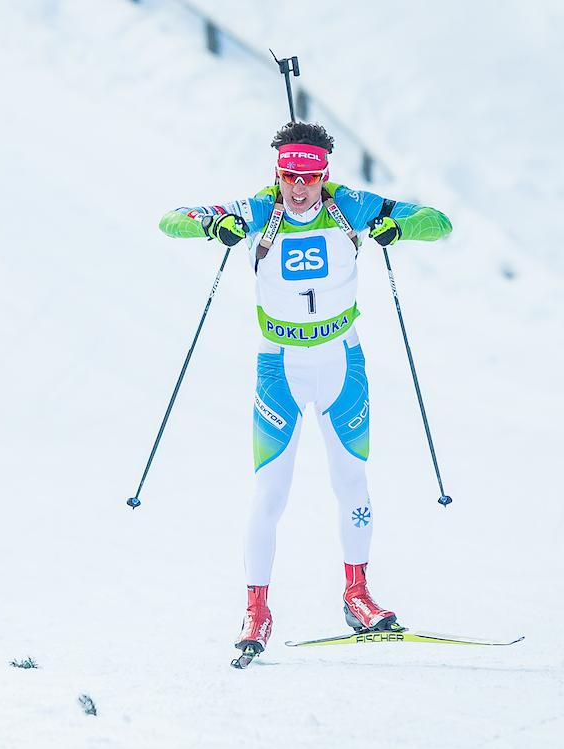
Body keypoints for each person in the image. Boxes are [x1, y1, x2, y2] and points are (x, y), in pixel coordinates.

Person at [157, 122, 452, 658]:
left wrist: (397, 230)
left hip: (342, 360)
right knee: (270, 492)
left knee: (352, 482)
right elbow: (171, 220)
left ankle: (358, 595)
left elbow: (439, 222)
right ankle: (256, 611)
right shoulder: (259, 209)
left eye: (310, 178)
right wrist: (215, 226)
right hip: (280, 367)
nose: (299, 189)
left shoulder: (351, 206)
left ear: (325, 174)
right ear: (277, 172)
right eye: (290, 176)